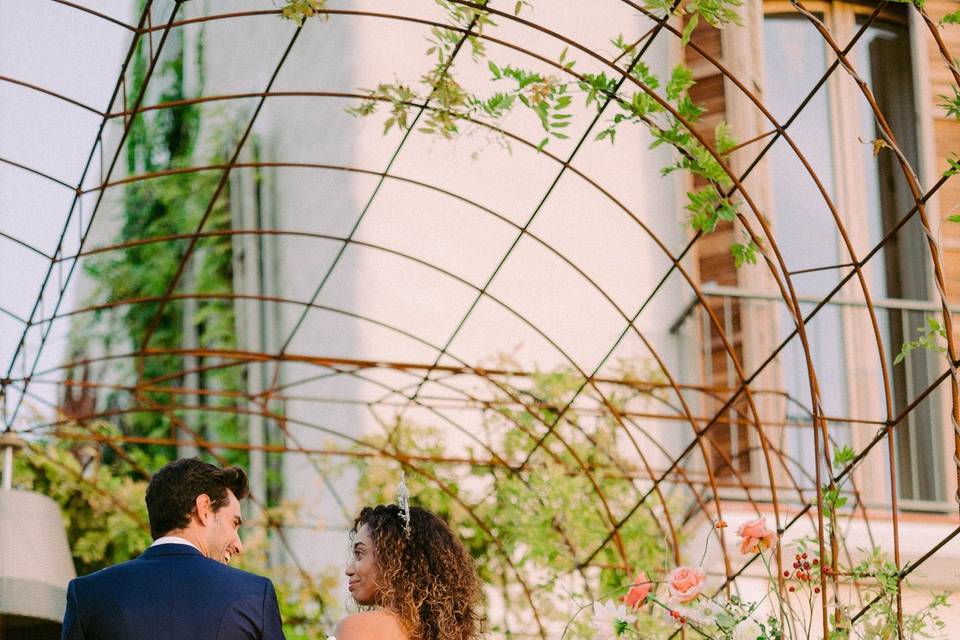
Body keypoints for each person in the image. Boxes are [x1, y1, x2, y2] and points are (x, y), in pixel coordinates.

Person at [61, 458, 285, 639]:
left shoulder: (88, 595)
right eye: (234, 523)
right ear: (204, 508)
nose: (239, 545)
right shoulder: (254, 595)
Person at [334, 504, 482, 640]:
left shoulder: (360, 628)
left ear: (393, 556)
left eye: (360, 554)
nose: (349, 570)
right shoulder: (441, 634)